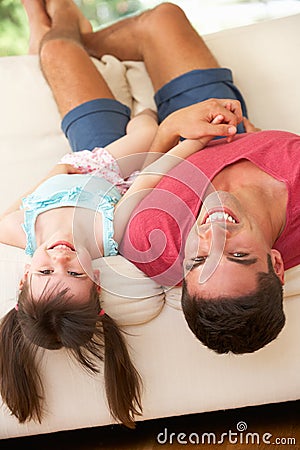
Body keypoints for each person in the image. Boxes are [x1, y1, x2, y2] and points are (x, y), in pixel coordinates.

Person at [0, 0, 243, 427]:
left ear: (25, 276)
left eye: (45, 273)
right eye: (73, 274)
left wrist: (60, 171)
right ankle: (59, 29)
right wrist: (164, 127)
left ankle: (54, 28)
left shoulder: (26, 234)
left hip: (92, 155)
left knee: (58, 51)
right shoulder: (114, 230)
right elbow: (152, 165)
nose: (60, 259)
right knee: (160, 27)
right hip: (137, 153)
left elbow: (21, 210)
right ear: (95, 278)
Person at [77, 2, 299, 354]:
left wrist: (170, 129)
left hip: (124, 159)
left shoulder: (156, 243)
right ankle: (85, 34)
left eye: (199, 260)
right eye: (238, 255)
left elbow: (137, 181)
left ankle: (56, 25)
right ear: (275, 263)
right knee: (165, 15)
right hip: (219, 130)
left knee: (61, 52)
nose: (214, 234)